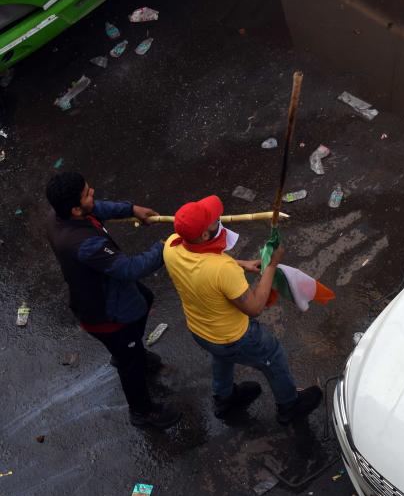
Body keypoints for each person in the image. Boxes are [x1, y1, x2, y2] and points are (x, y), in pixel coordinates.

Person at [162, 195, 323, 423]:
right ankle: (290, 406)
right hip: (234, 337)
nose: (218, 219)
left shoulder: (171, 245)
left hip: (200, 331)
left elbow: (203, 260)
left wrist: (243, 263)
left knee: (221, 358)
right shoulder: (223, 270)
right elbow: (255, 307)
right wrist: (272, 265)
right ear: (205, 235)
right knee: (273, 356)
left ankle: (224, 398)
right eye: (213, 220)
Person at [45, 172, 181, 429]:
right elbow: (129, 269)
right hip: (106, 312)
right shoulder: (84, 245)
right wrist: (164, 247)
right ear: (75, 209)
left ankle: (129, 351)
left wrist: (132, 209)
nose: (93, 192)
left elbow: (97, 208)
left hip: (105, 290)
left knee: (145, 297)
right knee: (131, 365)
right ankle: (142, 411)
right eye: (87, 193)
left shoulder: (58, 215)